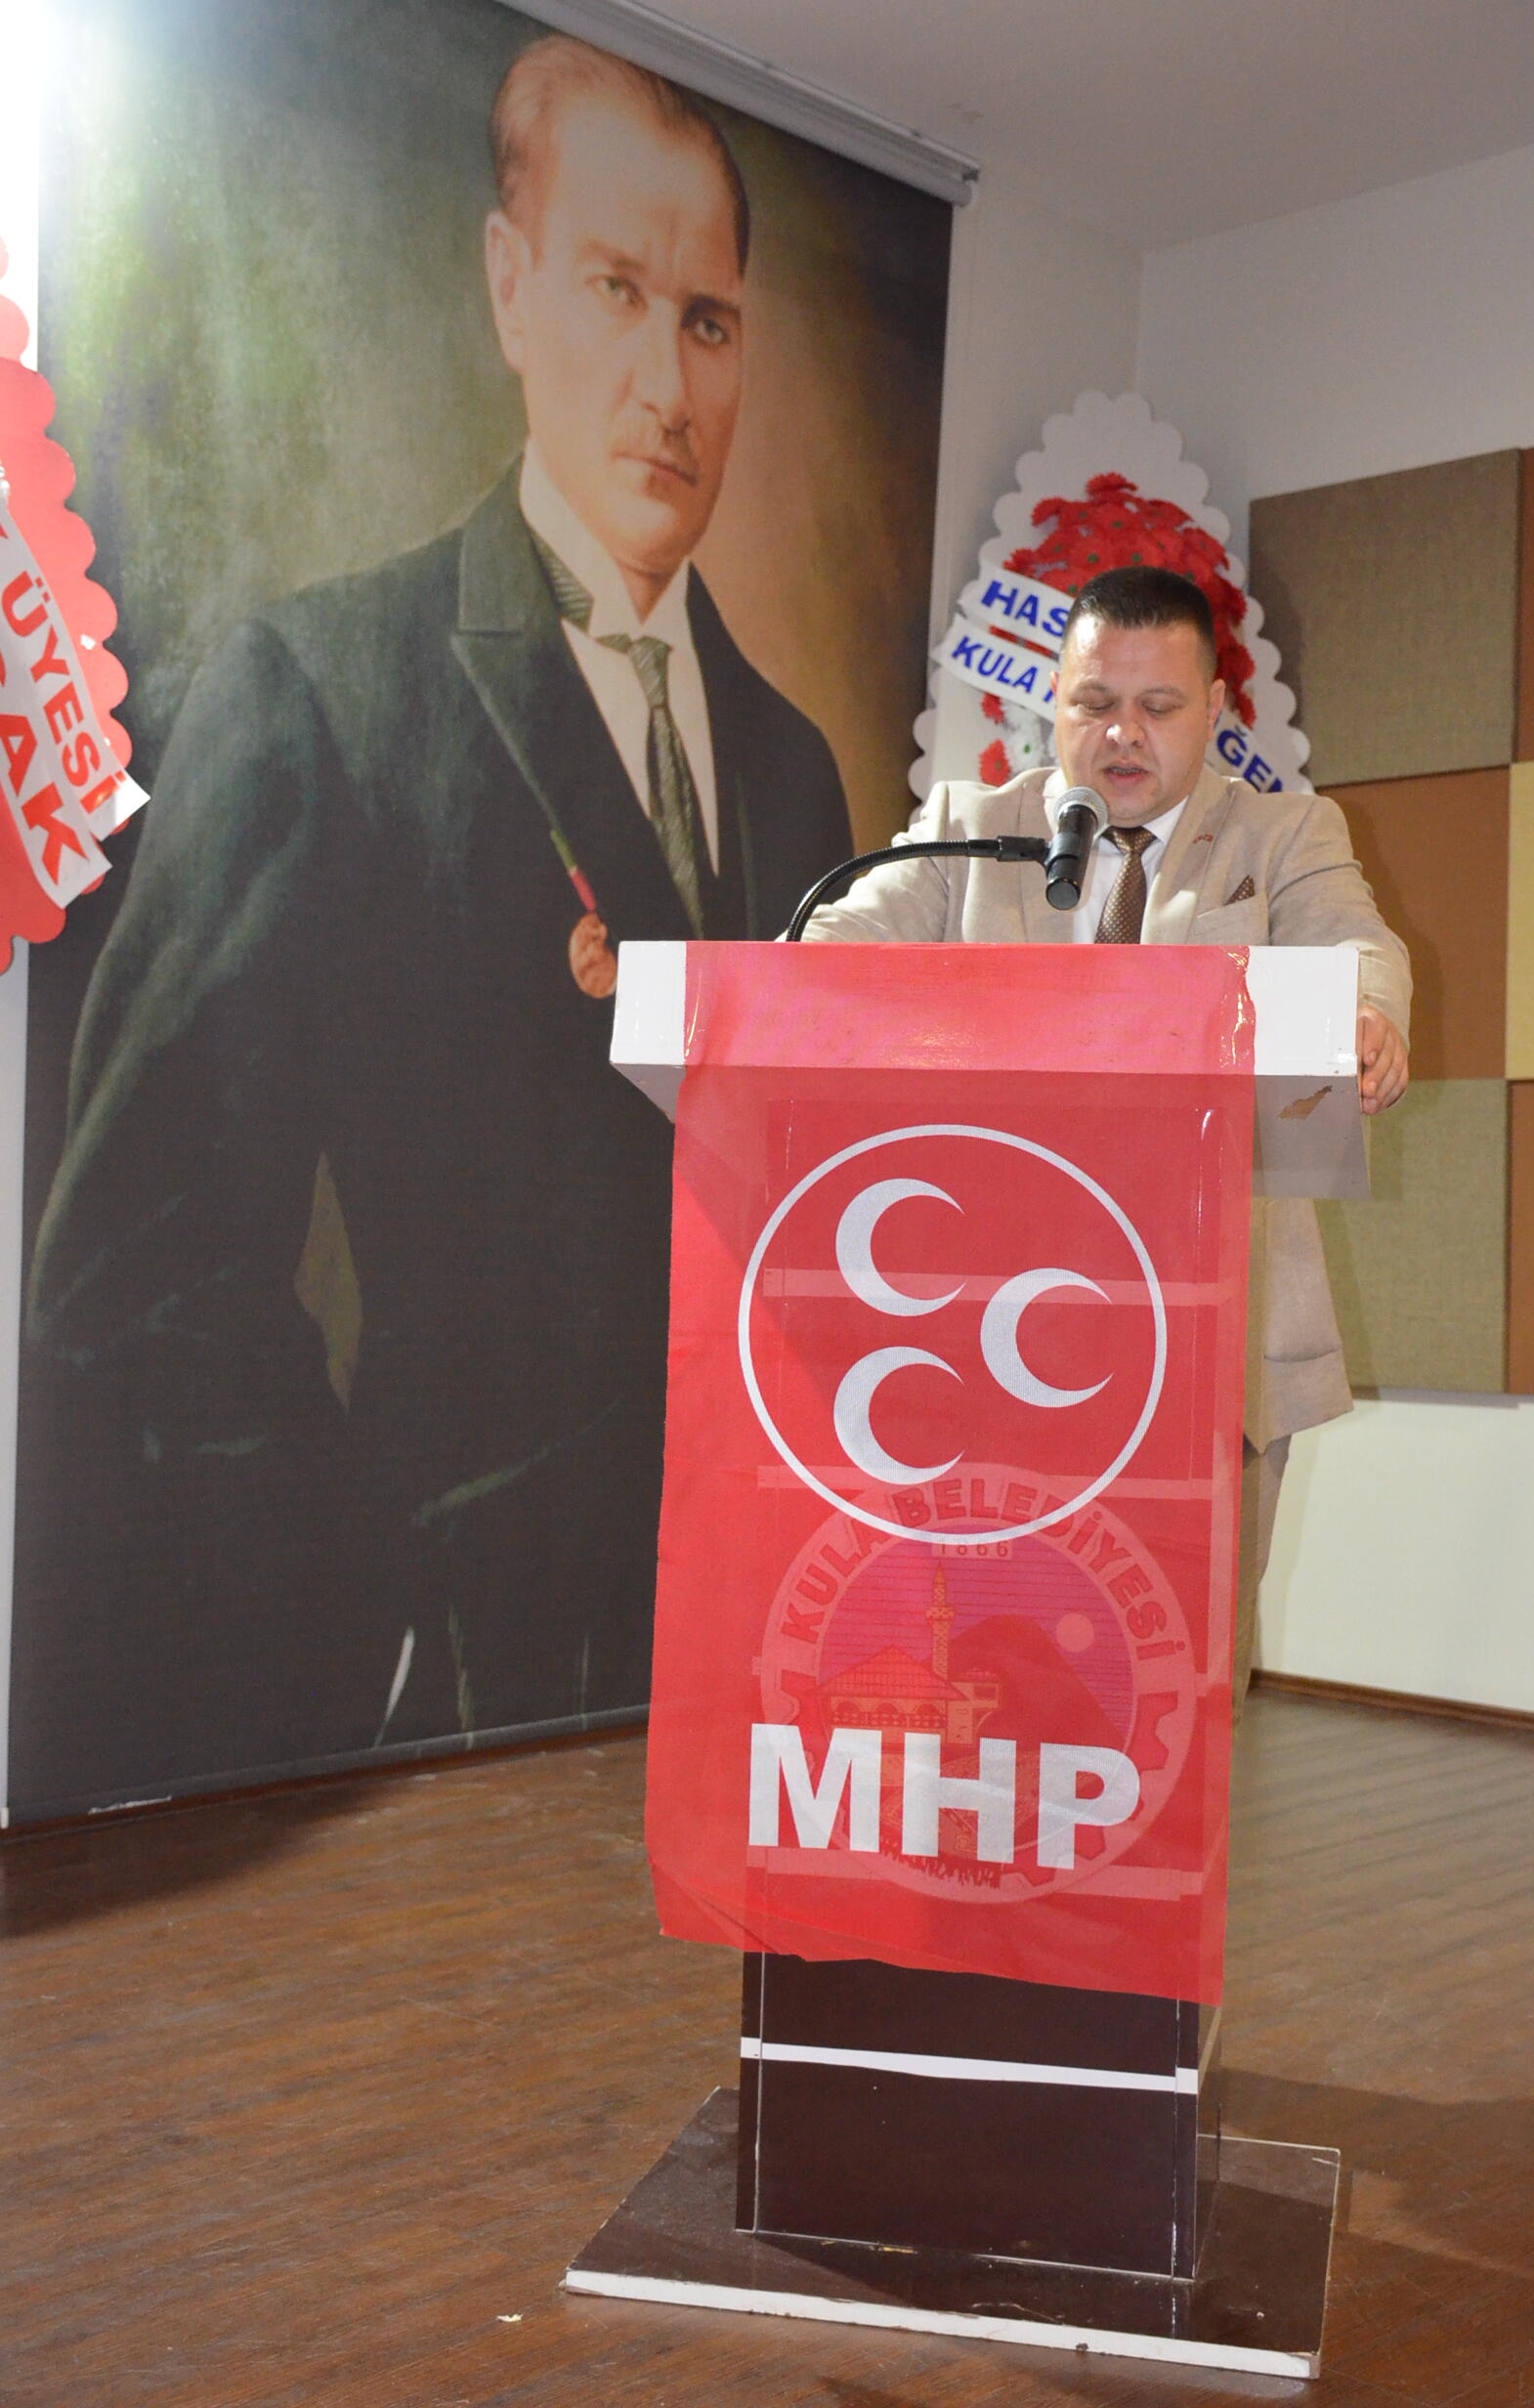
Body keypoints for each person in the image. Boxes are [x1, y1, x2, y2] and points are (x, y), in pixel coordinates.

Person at [24, 35, 852, 1775]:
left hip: (745, 1649)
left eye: (706, 320)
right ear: (508, 287)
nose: (666, 382)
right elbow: (135, 1283)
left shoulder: (795, 768)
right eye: (614, 290)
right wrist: (365, 1607)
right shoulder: (323, 688)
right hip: (451, 1688)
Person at [800, 564, 1411, 1715]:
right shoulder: (972, 830)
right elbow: (832, 947)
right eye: (1093, 703)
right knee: (986, 1689)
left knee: (1182, 1700)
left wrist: (1369, 1013)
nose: (1122, 734)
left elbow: (1357, 943)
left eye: (1158, 706)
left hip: (1210, 1343)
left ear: (1215, 709)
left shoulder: (1283, 833)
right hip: (979, 1348)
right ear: (1055, 703)